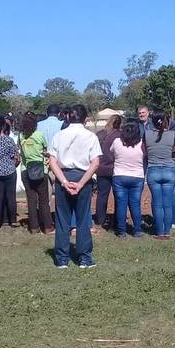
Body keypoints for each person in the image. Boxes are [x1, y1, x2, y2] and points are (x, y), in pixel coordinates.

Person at [48, 104, 102, 269]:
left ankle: (62, 259)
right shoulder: (91, 136)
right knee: (83, 218)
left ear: (68, 117)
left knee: (62, 219)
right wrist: (81, 183)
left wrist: (64, 181)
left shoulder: (59, 135)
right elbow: (95, 163)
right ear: (85, 119)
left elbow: (52, 161)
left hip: (63, 176)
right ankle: (84, 258)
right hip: (82, 177)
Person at [145, 109, 175, 239]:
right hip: (169, 170)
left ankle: (159, 232)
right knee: (167, 202)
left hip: (153, 171)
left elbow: (144, 150)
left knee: (157, 202)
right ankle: (167, 231)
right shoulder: (173, 134)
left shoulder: (147, 134)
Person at [19, 112, 54, 234]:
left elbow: (22, 153)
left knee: (31, 199)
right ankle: (48, 227)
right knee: (44, 200)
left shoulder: (21, 136)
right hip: (40, 170)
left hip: (26, 170)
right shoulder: (39, 135)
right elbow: (46, 150)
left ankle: (34, 227)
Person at [110, 121, 146, 238]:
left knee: (121, 204)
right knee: (135, 204)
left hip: (119, 175)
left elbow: (112, 152)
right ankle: (137, 230)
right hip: (137, 176)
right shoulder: (141, 144)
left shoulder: (117, 142)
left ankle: (121, 231)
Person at [95, 114, 122, 227]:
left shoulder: (99, 134)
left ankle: (100, 219)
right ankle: (117, 218)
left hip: (101, 168)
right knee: (118, 195)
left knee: (102, 195)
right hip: (115, 168)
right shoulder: (120, 135)